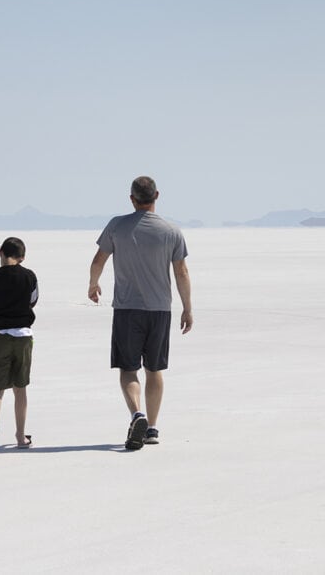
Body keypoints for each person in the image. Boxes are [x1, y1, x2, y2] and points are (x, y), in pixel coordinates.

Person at [88, 176, 193, 450]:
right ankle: (153, 428)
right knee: (155, 369)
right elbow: (181, 271)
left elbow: (99, 259)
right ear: (157, 195)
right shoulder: (171, 230)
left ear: (131, 198)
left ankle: (137, 414)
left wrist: (93, 284)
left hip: (127, 308)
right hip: (159, 310)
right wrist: (187, 308)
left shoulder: (117, 226)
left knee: (128, 368)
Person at [0, 237, 39, 454]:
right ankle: (21, 436)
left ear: (0, 252)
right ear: (22, 257)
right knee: (20, 389)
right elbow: (33, 300)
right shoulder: (29, 277)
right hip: (23, 336)